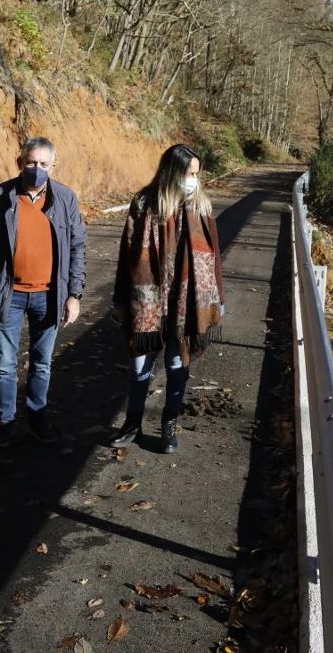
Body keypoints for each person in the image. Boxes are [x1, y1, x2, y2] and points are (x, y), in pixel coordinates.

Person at [109, 144, 225, 454]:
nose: (194, 180)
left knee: (177, 364)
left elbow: (213, 259)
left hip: (188, 301)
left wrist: (218, 299)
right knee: (138, 368)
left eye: (197, 174)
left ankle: (168, 424)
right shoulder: (144, 204)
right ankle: (132, 424)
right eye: (189, 173)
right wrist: (120, 300)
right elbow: (127, 258)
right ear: (173, 173)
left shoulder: (202, 207)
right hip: (148, 299)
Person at [0, 137, 87, 447]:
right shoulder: (0, 196)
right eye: (31, 163)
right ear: (20, 162)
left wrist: (74, 294)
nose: (37, 169)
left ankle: (37, 418)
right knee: (6, 363)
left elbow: (77, 247)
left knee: (42, 362)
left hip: (49, 296)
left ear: (53, 165)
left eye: (44, 164)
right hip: (8, 295)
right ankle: (5, 420)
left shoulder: (65, 198)